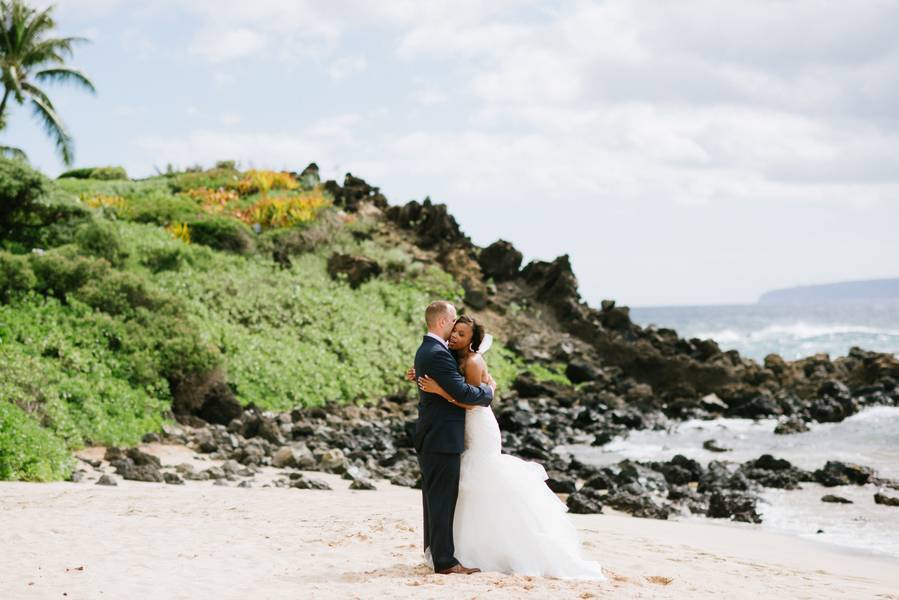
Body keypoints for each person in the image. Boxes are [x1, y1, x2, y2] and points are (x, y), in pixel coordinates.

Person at [414, 313, 605, 580]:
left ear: (472, 342)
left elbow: (469, 400)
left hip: (477, 424)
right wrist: (426, 379)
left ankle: (485, 549)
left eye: (461, 334)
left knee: (483, 477)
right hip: (460, 427)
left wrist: (442, 390)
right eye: (454, 331)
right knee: (467, 486)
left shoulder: (471, 359)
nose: (455, 336)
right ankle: (454, 552)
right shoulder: (446, 354)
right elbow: (450, 379)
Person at [411, 300, 495, 575]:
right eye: (453, 323)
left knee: (434, 498)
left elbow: (449, 384)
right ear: (443, 322)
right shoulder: (437, 353)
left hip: (436, 433)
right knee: (441, 499)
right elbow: (463, 394)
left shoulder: (431, 349)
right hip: (441, 436)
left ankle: (433, 553)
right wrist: (488, 393)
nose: (455, 330)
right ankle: (445, 561)